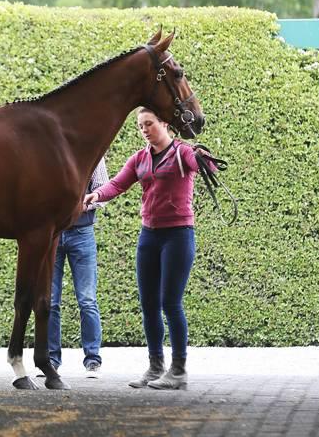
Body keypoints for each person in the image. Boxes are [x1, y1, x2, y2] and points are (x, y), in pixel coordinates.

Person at [83, 107, 214, 390]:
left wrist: (203, 158)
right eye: (141, 125)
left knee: (171, 303)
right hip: (149, 236)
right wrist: (96, 195)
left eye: (149, 124)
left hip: (178, 235)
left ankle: (178, 370)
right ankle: (156, 367)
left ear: (165, 123)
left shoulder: (181, 153)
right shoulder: (140, 158)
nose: (144, 129)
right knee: (149, 304)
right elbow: (117, 183)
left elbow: (205, 166)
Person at [47, 158, 109, 377]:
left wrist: (82, 204)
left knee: (87, 299)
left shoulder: (93, 155)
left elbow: (103, 191)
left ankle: (93, 359)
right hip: (53, 233)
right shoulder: (51, 153)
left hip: (82, 232)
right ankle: (51, 360)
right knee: (51, 300)